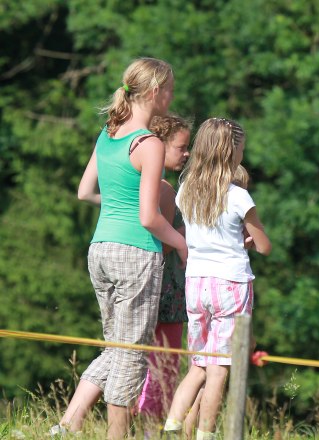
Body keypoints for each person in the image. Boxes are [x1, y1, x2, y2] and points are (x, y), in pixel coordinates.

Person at [53, 57, 188, 439]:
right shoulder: (149, 144)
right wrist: (180, 244)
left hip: (101, 249)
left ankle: (67, 426)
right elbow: (149, 218)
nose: (172, 97)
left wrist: (117, 205)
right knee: (131, 353)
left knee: (115, 347)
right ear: (155, 92)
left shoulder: (107, 135)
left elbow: (85, 192)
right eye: (171, 90)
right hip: (136, 253)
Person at [162, 118, 272, 440]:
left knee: (197, 364)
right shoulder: (238, 196)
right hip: (231, 284)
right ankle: (206, 434)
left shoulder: (186, 189)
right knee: (218, 369)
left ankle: (170, 427)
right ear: (231, 152)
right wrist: (249, 238)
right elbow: (263, 246)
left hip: (196, 283)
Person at [135, 114, 192, 424]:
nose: (186, 154)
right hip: (167, 288)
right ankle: (151, 425)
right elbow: (161, 243)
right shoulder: (165, 189)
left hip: (143, 284)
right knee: (164, 365)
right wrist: (184, 238)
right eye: (181, 147)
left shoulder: (141, 185)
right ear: (162, 144)